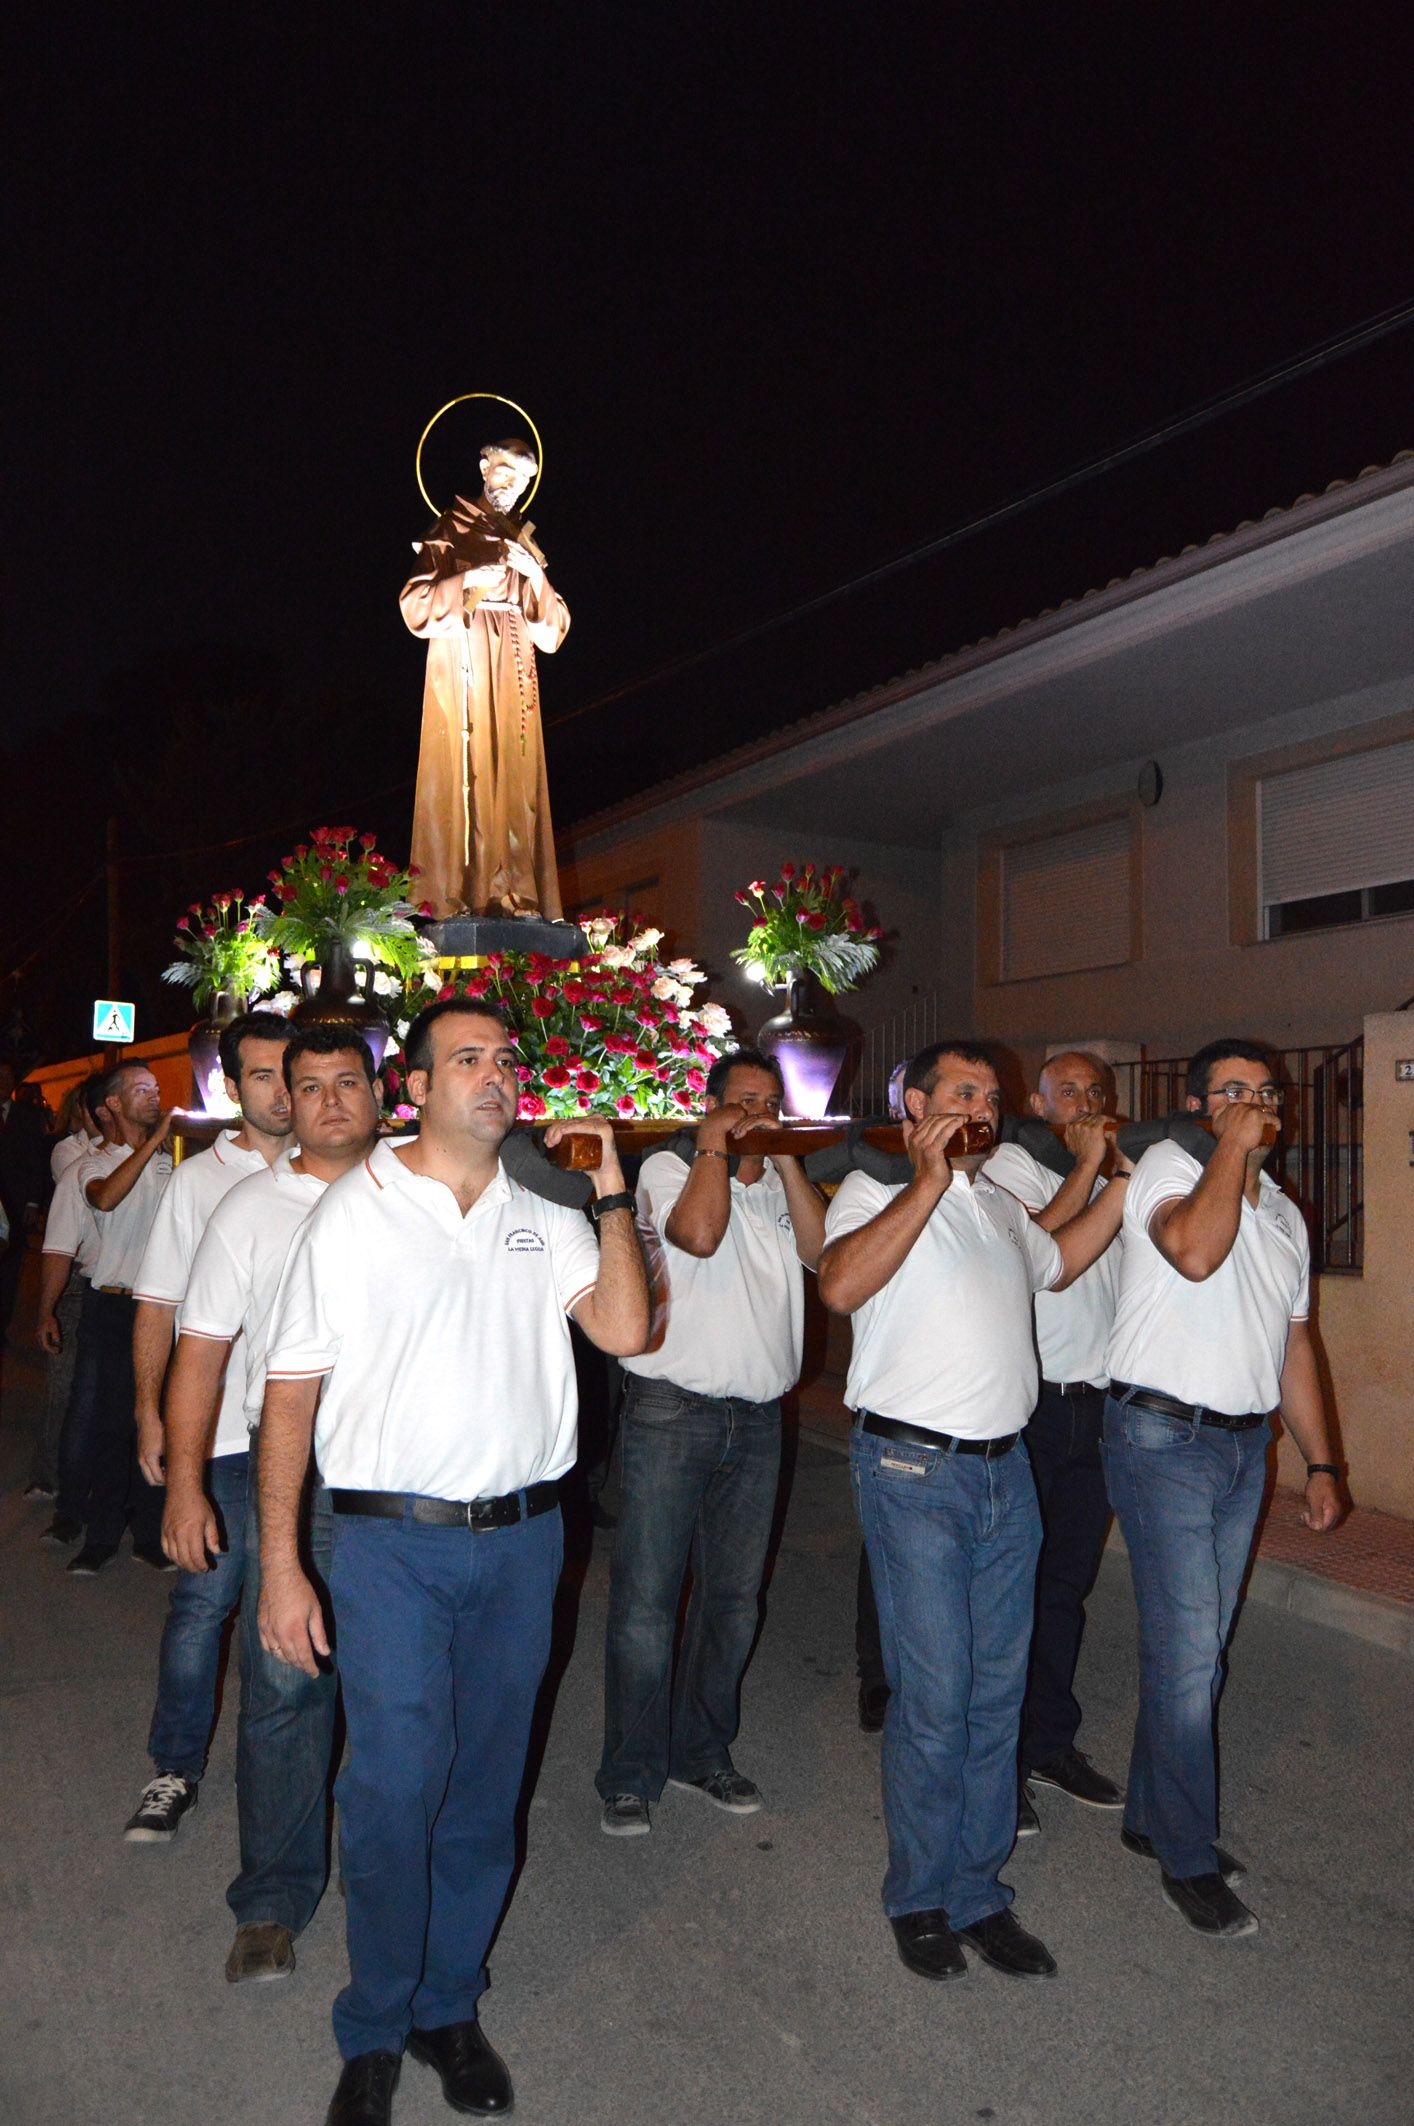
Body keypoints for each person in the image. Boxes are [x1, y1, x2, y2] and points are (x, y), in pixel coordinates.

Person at [259, 997, 648, 2126]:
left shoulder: (546, 1212)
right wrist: (282, 1564)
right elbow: (291, 1388)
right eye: (465, 1057)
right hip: (391, 1546)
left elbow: (623, 1330)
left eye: (505, 1057)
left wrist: (612, 1188)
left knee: (484, 1788)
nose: (495, 1073)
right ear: (415, 1087)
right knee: (390, 1789)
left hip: (526, 1542)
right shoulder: (353, 1211)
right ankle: (375, 2020)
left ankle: (446, 2003)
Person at [818, 1041, 1128, 1984]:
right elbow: (838, 1285)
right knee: (938, 1697)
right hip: (913, 1471)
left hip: (1008, 1477)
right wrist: (926, 1175)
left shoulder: (999, 1205)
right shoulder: (875, 1192)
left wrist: (1118, 1176)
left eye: (992, 1096)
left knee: (996, 1695)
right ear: (915, 1104)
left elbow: (1061, 1262)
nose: (984, 1107)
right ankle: (918, 1896)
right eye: (963, 1093)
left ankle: (976, 1891)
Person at [1102, 1037, 1342, 1940]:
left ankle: (1147, 1811)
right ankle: (1188, 1857)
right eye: (1231, 1091)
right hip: (1160, 1436)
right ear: (1201, 1107)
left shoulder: (1285, 1211)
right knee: (1192, 1649)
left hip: (1246, 1449)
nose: (1253, 1103)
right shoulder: (1168, 1166)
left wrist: (1321, 1463)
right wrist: (1230, 1152)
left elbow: (1295, 1346)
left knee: (1196, 1640)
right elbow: (1194, 1256)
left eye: (1265, 1092)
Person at [162, 1021, 382, 1983]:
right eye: (310, 1085)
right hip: (285, 1472)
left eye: (349, 1082)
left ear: (382, 1094)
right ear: (283, 1101)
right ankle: (272, 1901)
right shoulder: (249, 1209)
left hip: (404, 1477)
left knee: (395, 1688)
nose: (331, 1100)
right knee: (286, 1687)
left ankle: (395, 1891)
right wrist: (184, 1482)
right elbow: (200, 1351)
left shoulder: (419, 1193)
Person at [596, 1049, 826, 1836]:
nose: (761, 1113)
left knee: (731, 1601)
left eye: (773, 1103)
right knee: (647, 1605)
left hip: (760, 1418)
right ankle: (628, 1771)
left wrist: (787, 1161)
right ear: (712, 1106)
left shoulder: (780, 1184)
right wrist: (716, 1147)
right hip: (672, 1412)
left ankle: (701, 1750)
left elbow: (824, 1254)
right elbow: (695, 1236)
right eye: (745, 1101)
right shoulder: (669, 1167)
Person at [120, 1012, 294, 1847]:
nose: (280, 1090)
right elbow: (157, 1306)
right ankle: (175, 1766)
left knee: (295, 1600)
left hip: (315, 1436)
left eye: (286, 1072)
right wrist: (151, 1413)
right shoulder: (198, 1182)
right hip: (221, 1433)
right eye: (260, 1074)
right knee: (204, 1601)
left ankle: (288, 1764)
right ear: (232, 1085)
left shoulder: (338, 1171)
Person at [983, 1051, 1128, 1831]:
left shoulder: (1110, 1177)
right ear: (1037, 1102)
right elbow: (1040, 1262)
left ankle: (1049, 1743)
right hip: (1031, 1404)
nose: (1083, 1102)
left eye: (1095, 1092)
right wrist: (1094, 1169)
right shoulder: (1008, 1166)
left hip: (1096, 1406)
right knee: (1008, 1592)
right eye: (1067, 1090)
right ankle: (997, 1760)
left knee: (1065, 1588)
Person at [400, 437, 571, 920]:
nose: (512, 486)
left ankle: (516, 892)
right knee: (470, 767)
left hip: (515, 665)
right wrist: (469, 581)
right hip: (467, 656)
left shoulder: (523, 539)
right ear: (483, 466)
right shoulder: (450, 527)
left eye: (521, 479)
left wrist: (534, 577)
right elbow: (414, 605)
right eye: (504, 473)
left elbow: (554, 631)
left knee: (516, 776)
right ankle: (468, 892)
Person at [66, 1062, 175, 1575]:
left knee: (159, 1423)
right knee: (113, 1425)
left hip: (164, 1307)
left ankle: (150, 1534)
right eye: (141, 1089)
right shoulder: (93, 1161)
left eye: (156, 1088)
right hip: (113, 1305)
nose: (154, 1096)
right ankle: (102, 1534)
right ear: (110, 1105)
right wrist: (153, 1145)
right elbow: (105, 1197)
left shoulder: (172, 1159)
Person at [35, 1076, 113, 1545]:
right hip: (81, 1287)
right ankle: (54, 1480)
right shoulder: (71, 1154)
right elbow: (89, 1190)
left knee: (110, 1402)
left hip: (125, 1292)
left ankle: (108, 1502)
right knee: (69, 1393)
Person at [0, 1055, 50, 1344]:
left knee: (9, 1268)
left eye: (9, 1078)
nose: (4, 1083)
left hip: (16, 1205)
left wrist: (33, 1202)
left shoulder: (27, 1116)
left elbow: (36, 1160)